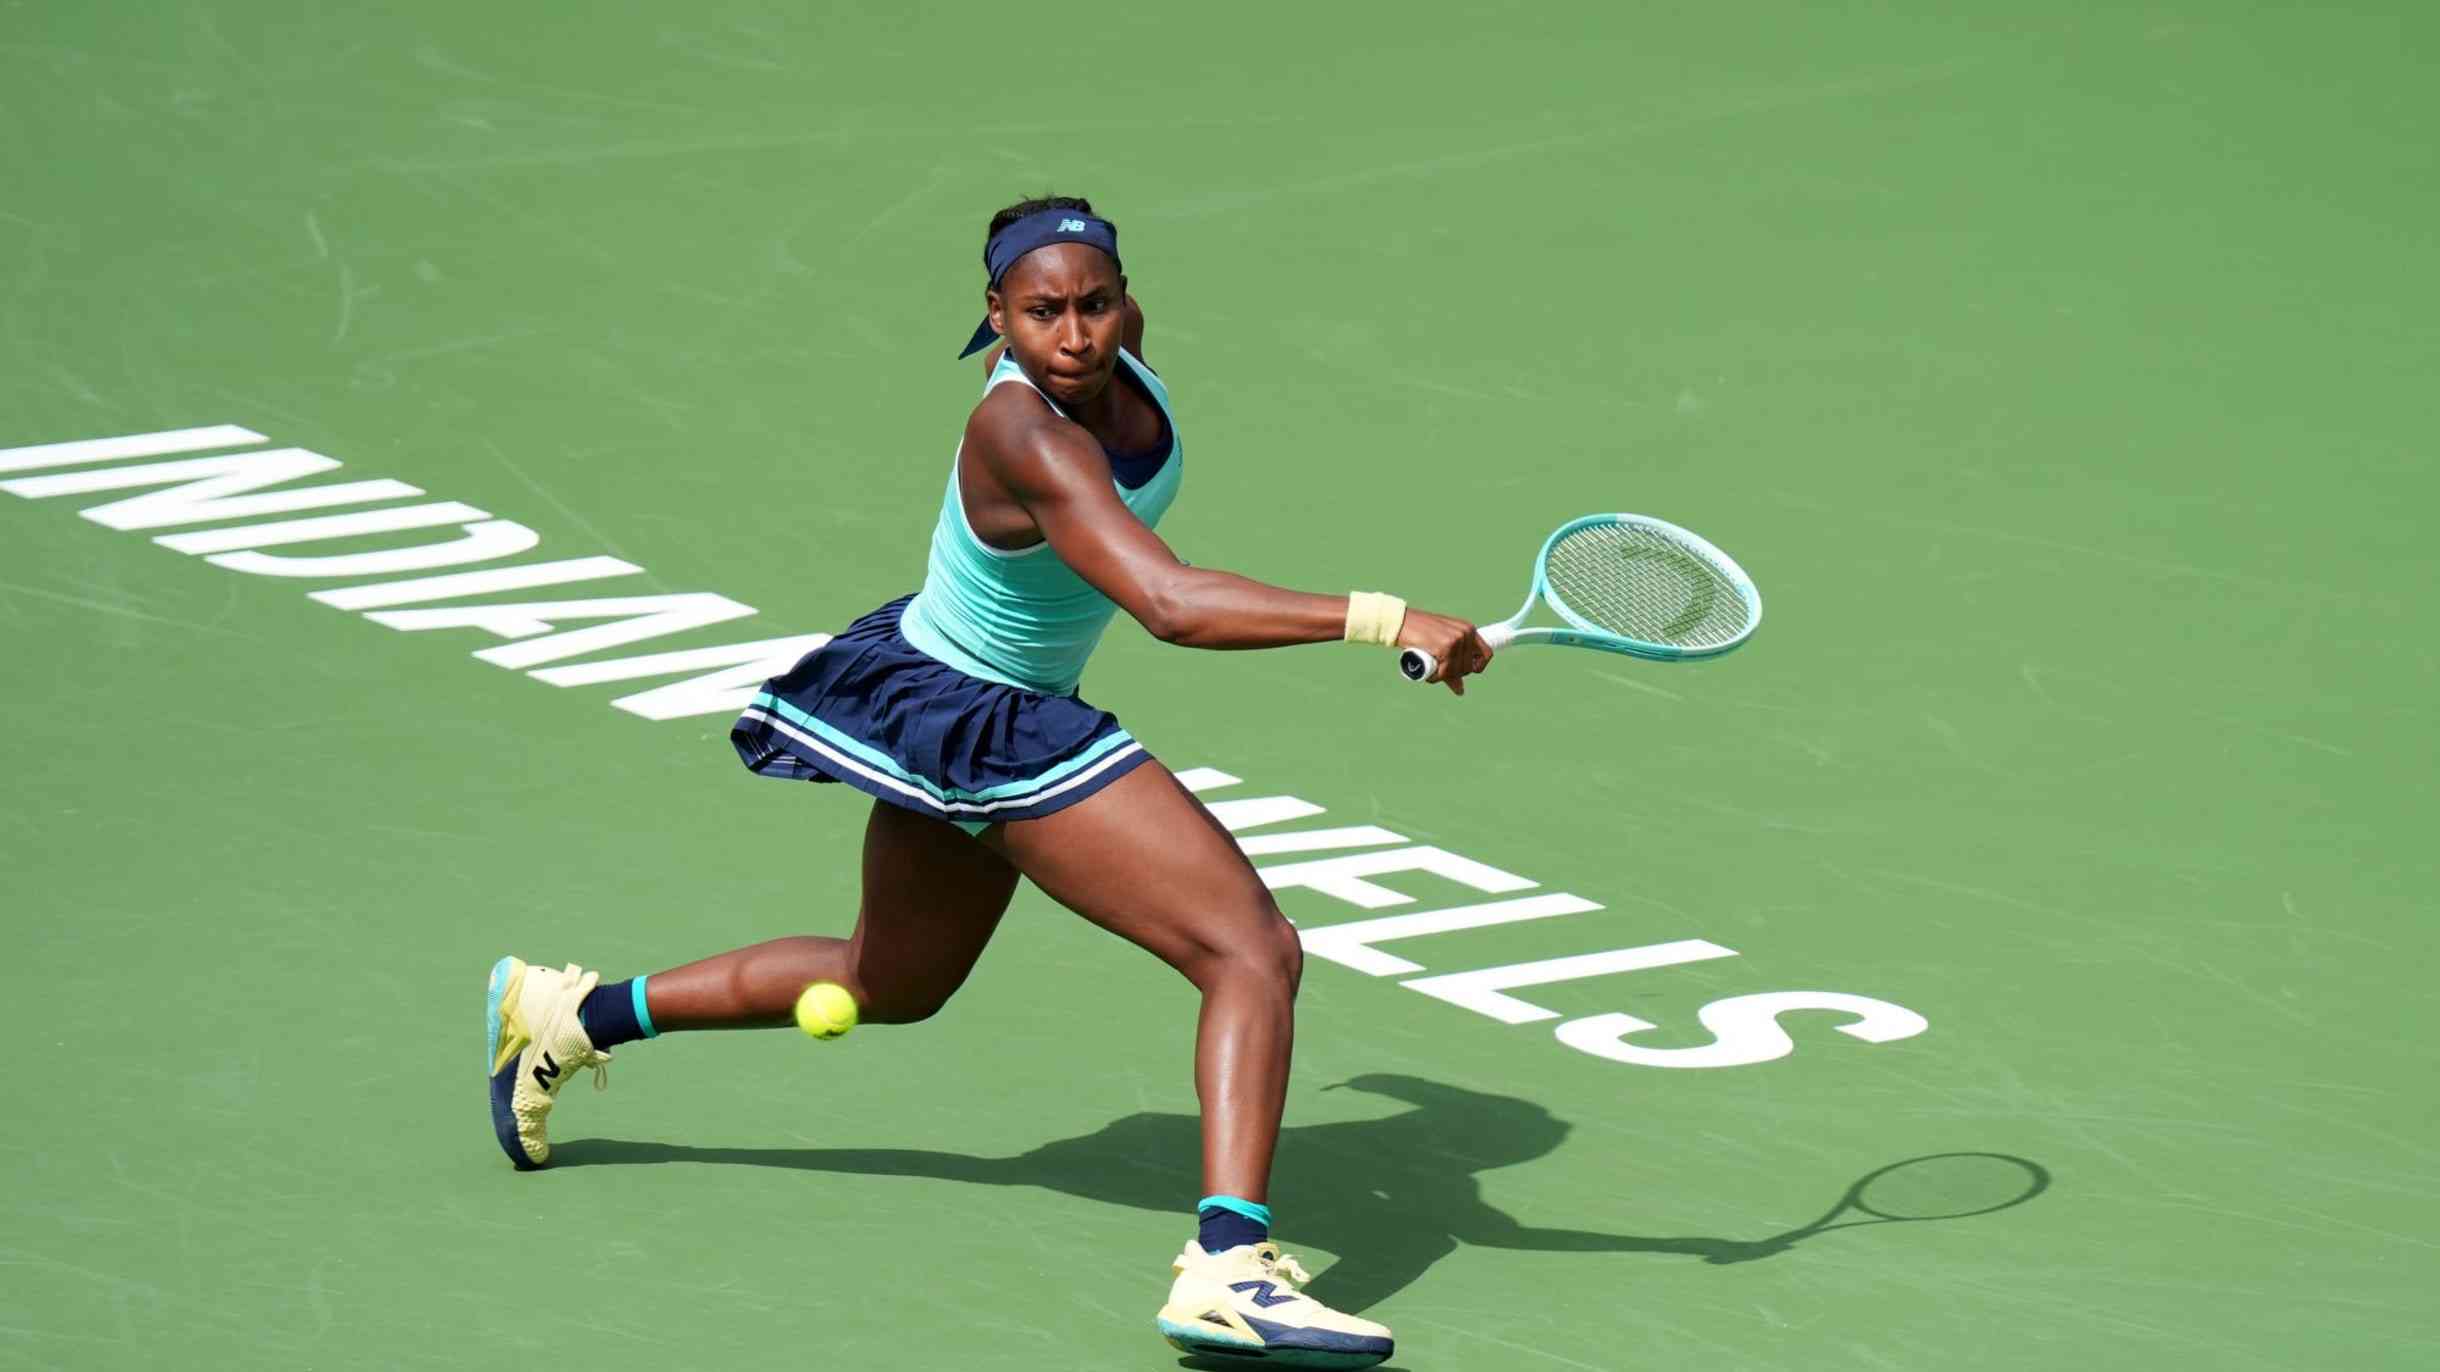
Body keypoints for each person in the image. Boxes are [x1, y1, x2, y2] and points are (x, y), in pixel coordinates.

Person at [483, 194, 1492, 1368]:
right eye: (1042, 312)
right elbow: (1166, 604)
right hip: (984, 718)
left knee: (888, 981)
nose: (1075, 336)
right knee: (1250, 949)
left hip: (939, 703)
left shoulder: (1109, 361)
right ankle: (1230, 1265)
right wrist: (1384, 617)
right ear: (997, 318)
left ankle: (567, 1015)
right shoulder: (1026, 435)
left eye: (1095, 304)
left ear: (1127, 298)